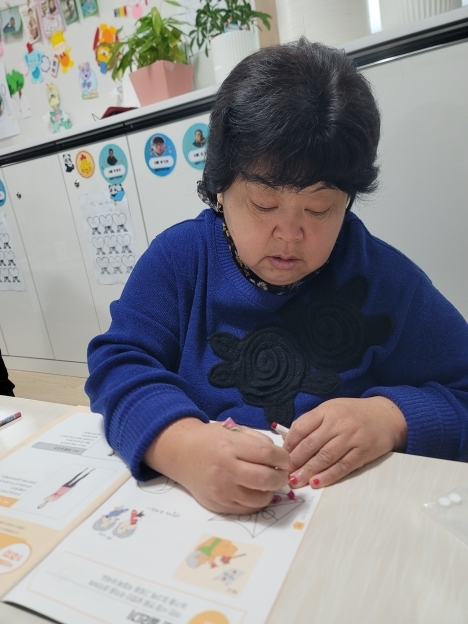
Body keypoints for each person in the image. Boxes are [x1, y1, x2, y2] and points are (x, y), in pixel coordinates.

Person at [86, 38, 468, 516]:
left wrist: (391, 418)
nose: (289, 235)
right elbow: (118, 366)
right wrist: (181, 445)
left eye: (319, 208)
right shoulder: (180, 261)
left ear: (348, 200)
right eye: (264, 205)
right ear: (219, 188)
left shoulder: (387, 281)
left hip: (344, 521)